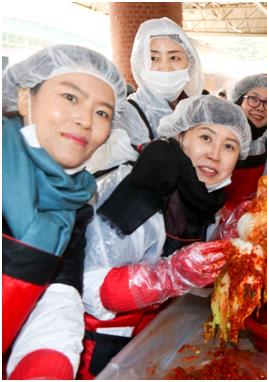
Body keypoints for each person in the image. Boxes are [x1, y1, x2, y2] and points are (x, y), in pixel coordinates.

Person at [77, 95, 251, 378]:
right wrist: (170, 275)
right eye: (205, 137)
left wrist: (229, 236)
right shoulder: (140, 187)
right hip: (104, 342)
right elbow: (91, 285)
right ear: (181, 135)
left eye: (229, 146)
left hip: (153, 331)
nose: (215, 154)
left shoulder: (204, 196)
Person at [2, 44, 126, 379]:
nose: (85, 120)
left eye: (102, 113)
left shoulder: (76, 202)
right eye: (70, 97)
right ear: (26, 99)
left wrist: (49, 357)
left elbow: (61, 290)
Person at [116, 17, 203, 145]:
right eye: (153, 58)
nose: (165, 68)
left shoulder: (197, 113)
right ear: (141, 64)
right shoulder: (127, 116)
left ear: (190, 64)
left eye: (174, 57)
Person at [225, 74, 267, 209]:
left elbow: (264, 186)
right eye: (253, 99)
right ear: (238, 102)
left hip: (248, 217)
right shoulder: (223, 137)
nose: (260, 108)